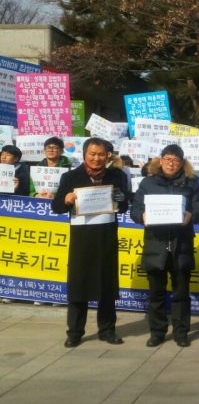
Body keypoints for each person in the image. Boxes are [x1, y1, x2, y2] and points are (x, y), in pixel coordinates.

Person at [51, 138, 129, 348]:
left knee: (107, 285)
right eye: (92, 154)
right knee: (79, 286)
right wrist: (66, 200)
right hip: (82, 239)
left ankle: (107, 330)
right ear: (85, 154)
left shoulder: (117, 176)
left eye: (101, 154)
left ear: (108, 156)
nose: (96, 158)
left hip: (106, 237)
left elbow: (124, 206)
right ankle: (75, 332)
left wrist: (121, 199)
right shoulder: (71, 176)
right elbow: (56, 206)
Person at [130, 145, 199, 348]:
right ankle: (157, 332)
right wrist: (141, 216)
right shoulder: (148, 182)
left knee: (181, 294)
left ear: (182, 162)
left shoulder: (191, 183)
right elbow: (135, 208)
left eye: (176, 160)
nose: (171, 163)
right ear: (160, 160)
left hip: (181, 246)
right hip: (156, 245)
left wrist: (191, 215)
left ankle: (181, 333)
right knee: (156, 294)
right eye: (167, 159)